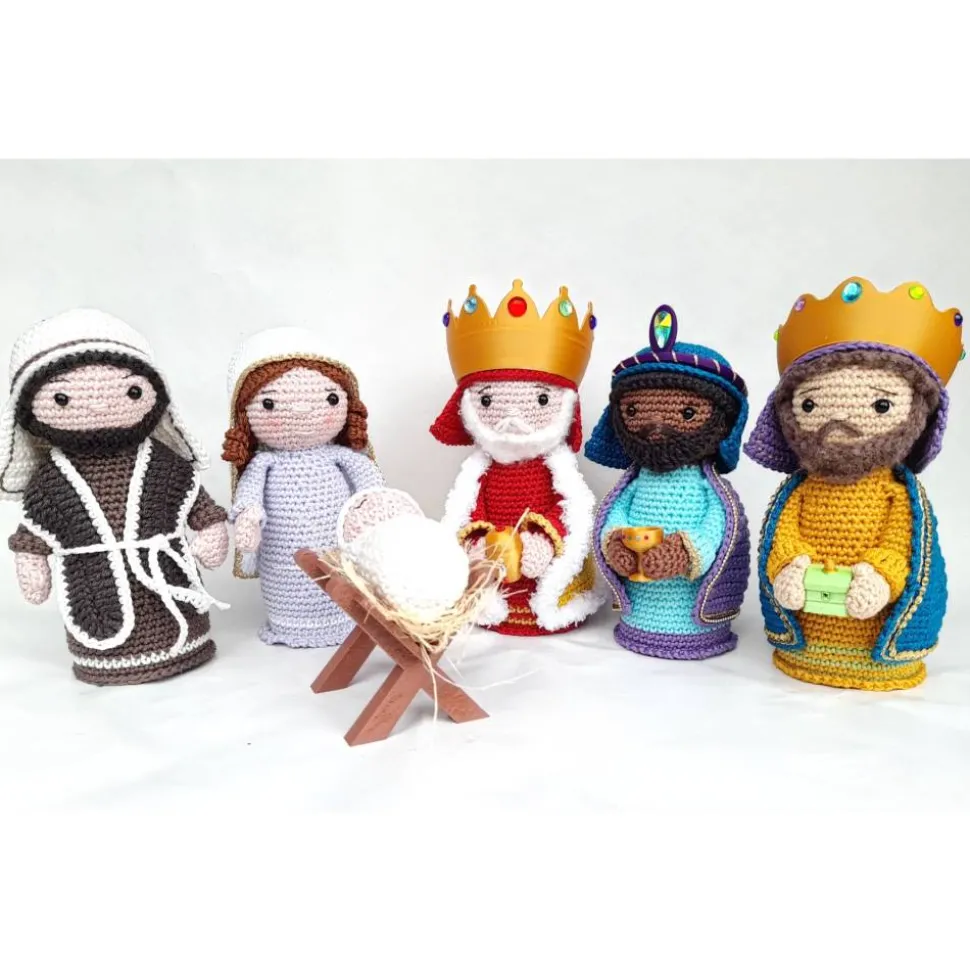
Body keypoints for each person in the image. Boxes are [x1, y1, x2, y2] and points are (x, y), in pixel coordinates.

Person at [744, 277, 964, 690]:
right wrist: (789, 564)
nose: (837, 419)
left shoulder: (897, 495)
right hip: (807, 633)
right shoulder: (801, 491)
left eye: (881, 404)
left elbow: (902, 544)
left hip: (872, 626)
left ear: (918, 414)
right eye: (810, 404)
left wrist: (881, 575)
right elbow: (783, 535)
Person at [2, 309, 229, 685]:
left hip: (165, 573)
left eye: (131, 390)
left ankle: (186, 648)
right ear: (29, 410)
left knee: (175, 614)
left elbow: (197, 504)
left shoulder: (163, 463)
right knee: (100, 622)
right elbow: (34, 533)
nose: (99, 406)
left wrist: (210, 529)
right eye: (62, 397)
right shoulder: (51, 480)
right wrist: (32, 562)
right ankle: (110, 662)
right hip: (92, 583)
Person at [431, 280, 605, 635]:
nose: (512, 415)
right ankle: (490, 604)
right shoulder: (480, 473)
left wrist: (545, 540)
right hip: (496, 571)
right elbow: (471, 510)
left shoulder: (556, 471)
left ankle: (551, 605)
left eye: (541, 399)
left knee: (550, 562)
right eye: (487, 400)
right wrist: (477, 543)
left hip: (545, 573)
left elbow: (569, 511)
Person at [586, 305, 750, 659]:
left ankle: (693, 632)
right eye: (633, 411)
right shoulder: (635, 482)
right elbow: (615, 515)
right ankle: (641, 625)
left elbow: (717, 529)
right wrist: (616, 542)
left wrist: (684, 552)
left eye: (687, 413)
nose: (655, 426)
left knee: (686, 603)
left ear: (722, 422)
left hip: (693, 616)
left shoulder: (708, 489)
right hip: (639, 611)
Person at [224, 327, 383, 648]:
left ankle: (345, 619)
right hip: (282, 555)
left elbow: (372, 488)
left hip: (337, 548)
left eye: (330, 399)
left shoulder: (342, 458)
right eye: (270, 403)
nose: (301, 411)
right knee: (290, 579)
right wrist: (249, 518)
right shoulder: (264, 465)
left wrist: (375, 512)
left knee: (340, 576)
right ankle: (290, 624)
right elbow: (248, 497)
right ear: (246, 415)